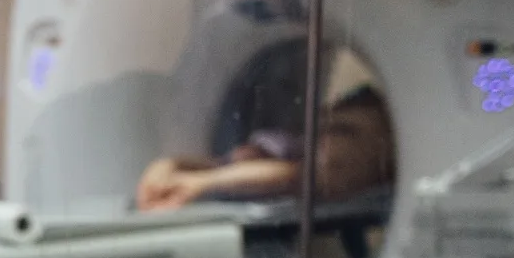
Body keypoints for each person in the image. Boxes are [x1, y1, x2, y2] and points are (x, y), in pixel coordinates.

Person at [136, 62, 395, 213]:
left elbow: (294, 176)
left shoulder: (321, 168)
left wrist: (200, 182)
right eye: (327, 127)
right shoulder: (290, 144)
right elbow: (222, 163)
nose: (328, 136)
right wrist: (170, 165)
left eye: (342, 131)